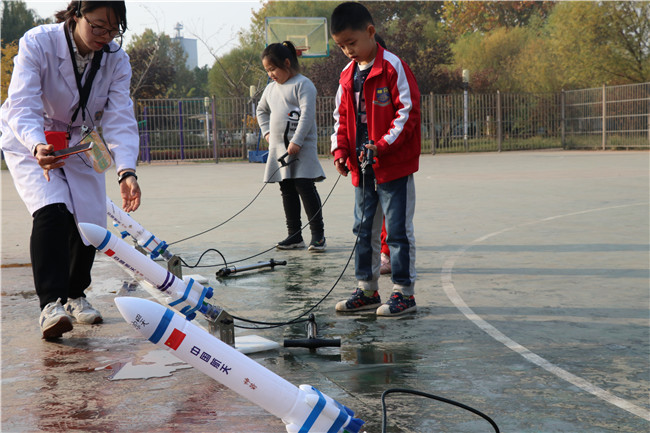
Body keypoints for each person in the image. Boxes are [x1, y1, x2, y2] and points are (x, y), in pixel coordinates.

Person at [0, 0, 141, 339]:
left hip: (78, 138)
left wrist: (126, 171)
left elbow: (120, 116)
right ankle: (51, 304)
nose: (104, 37)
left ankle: (76, 295)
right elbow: (22, 103)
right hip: (33, 136)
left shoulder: (116, 59)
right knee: (52, 208)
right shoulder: (38, 42)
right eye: (97, 27)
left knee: (90, 218)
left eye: (113, 31)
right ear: (76, 14)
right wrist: (37, 144)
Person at [330, 2, 421, 316]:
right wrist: (340, 151)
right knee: (363, 230)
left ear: (370, 32)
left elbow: (406, 114)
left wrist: (382, 145)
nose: (348, 51)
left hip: (393, 167)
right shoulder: (346, 76)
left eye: (352, 43)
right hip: (362, 170)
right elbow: (341, 118)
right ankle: (366, 290)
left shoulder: (393, 67)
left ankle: (404, 293)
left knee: (396, 232)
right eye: (342, 46)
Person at [256, 41, 327, 252]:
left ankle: (318, 236)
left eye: (273, 69)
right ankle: (294, 235)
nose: (271, 74)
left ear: (287, 63)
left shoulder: (303, 84)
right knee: (286, 188)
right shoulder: (270, 90)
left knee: (305, 187)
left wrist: (297, 141)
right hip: (279, 150)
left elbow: (306, 115)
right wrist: (267, 132)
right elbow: (261, 111)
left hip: (301, 149)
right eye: (267, 70)